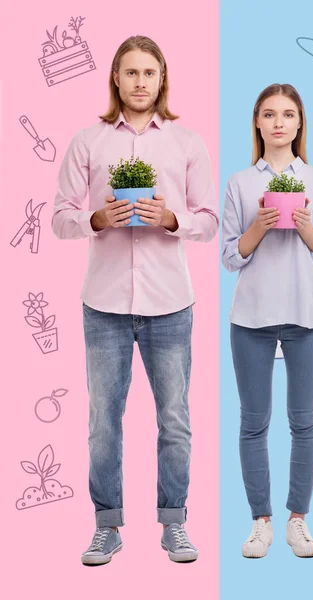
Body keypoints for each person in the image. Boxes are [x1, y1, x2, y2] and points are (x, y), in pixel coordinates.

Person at [52, 35, 218, 566]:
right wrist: (95, 219)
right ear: (116, 79)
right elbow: (57, 217)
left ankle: (175, 524)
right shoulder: (88, 141)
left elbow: (211, 220)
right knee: (104, 418)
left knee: (175, 418)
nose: (140, 82)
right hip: (102, 305)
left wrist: (172, 220)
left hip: (170, 302)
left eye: (150, 73)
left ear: (162, 78)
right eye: (131, 73)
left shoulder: (188, 143)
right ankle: (107, 526)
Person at [222, 83, 313, 559]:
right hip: (251, 317)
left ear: (299, 124)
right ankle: (260, 522)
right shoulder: (240, 183)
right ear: (256, 122)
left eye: (287, 114)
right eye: (268, 114)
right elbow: (230, 257)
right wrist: (258, 227)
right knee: (253, 423)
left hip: (306, 314)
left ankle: (297, 520)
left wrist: (308, 228)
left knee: (304, 421)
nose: (277, 122)